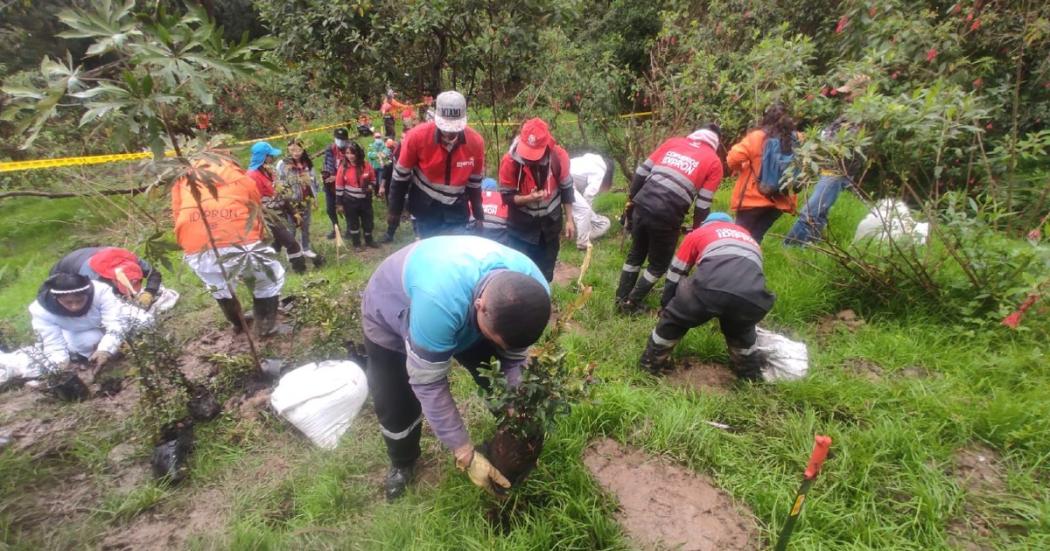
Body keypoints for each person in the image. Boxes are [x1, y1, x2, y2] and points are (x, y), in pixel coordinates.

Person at [361, 235, 551, 500]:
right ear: (479, 307)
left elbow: (515, 359)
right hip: (392, 310)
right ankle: (402, 461)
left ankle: (507, 440)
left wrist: (516, 407)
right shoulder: (437, 302)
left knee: (495, 370)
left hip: (466, 313)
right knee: (395, 400)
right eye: (495, 338)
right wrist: (463, 451)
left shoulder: (534, 287)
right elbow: (429, 384)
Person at [639, 212, 775, 380]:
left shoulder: (698, 233)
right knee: (741, 330)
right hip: (752, 296)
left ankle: (650, 364)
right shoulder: (749, 238)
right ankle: (749, 375)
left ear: (706, 224)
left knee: (674, 321)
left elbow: (676, 273)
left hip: (709, 287)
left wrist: (668, 305)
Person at [172, 156, 286, 337]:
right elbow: (255, 207)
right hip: (238, 234)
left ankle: (238, 324)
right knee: (268, 278)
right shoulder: (239, 176)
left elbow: (178, 211)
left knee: (218, 285)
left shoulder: (184, 177)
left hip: (194, 240)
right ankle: (265, 326)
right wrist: (259, 234)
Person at [615, 126, 723, 313]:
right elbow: (703, 204)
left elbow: (641, 172)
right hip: (667, 214)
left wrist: (632, 200)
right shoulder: (714, 162)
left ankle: (620, 297)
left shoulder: (674, 142)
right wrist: (698, 232)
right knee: (658, 265)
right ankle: (630, 304)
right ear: (716, 142)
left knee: (636, 253)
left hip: (642, 202)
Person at [386, 90, 485, 239]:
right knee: (429, 253)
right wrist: (394, 210)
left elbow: (474, 184)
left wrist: (478, 214)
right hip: (425, 208)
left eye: (455, 128)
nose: (450, 133)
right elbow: (400, 178)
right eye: (446, 127)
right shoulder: (416, 137)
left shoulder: (476, 142)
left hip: (456, 209)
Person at [784, 75, 870, 245]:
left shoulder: (861, 118)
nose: (845, 96)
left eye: (849, 93)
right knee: (820, 211)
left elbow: (841, 144)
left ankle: (790, 247)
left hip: (836, 171)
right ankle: (809, 245)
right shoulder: (850, 114)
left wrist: (818, 141)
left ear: (860, 92)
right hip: (833, 169)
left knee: (811, 211)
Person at [22, 274, 152, 375]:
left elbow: (115, 323)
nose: (74, 306)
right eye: (68, 302)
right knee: (85, 342)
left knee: (144, 320)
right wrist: (60, 366)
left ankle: (124, 345)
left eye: (79, 301)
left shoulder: (101, 291)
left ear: (88, 295)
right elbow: (53, 344)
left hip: (112, 318)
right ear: (57, 299)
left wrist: (105, 350)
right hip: (79, 332)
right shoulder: (41, 311)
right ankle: (100, 355)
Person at [498, 118, 575, 282]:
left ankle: (541, 301)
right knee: (519, 275)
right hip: (520, 229)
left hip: (550, 226)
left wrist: (569, 219)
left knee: (545, 274)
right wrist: (528, 198)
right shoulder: (510, 162)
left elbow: (567, 188)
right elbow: (506, 198)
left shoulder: (559, 157)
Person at [727, 103, 798, 243]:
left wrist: (741, 168)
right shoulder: (798, 139)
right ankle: (750, 261)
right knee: (756, 237)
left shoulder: (757, 137)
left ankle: (733, 262)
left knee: (738, 237)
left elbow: (732, 158)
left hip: (753, 198)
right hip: (781, 201)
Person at [246, 141, 307, 274]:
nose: (273, 158)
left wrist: (293, 212)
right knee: (291, 243)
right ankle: (300, 270)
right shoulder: (252, 176)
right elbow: (252, 202)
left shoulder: (270, 171)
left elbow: (280, 193)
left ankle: (271, 272)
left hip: (279, 212)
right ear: (264, 157)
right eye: (270, 155)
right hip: (267, 217)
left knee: (275, 245)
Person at [50, 247, 162, 309]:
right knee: (75, 304)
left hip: (93, 254)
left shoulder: (134, 260)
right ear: (112, 279)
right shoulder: (92, 278)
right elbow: (97, 304)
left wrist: (149, 292)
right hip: (63, 271)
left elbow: (154, 274)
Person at [275, 138, 321, 265]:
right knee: (292, 228)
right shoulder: (283, 164)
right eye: (292, 150)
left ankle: (305, 248)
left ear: (303, 149)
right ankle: (292, 252)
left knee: (305, 225)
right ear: (288, 150)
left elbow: (314, 179)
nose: (295, 153)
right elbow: (279, 181)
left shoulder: (306, 162)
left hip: (305, 200)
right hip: (291, 201)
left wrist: (315, 195)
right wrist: (286, 195)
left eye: (298, 149)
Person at [335, 142, 379, 249]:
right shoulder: (343, 168)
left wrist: (370, 186)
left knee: (368, 221)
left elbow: (373, 179)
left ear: (358, 153)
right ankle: (357, 244)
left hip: (365, 200)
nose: (350, 156)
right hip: (350, 201)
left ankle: (369, 240)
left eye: (352, 153)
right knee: (353, 223)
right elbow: (339, 186)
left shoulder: (366, 165)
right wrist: (339, 204)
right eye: (347, 153)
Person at [569, 153, 614, 250]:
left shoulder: (588, 161)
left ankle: (582, 231)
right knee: (586, 211)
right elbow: (588, 194)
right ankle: (583, 243)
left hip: (557, 177)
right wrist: (588, 213)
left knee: (583, 210)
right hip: (565, 181)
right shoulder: (600, 170)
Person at [321, 128, 351, 239]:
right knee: (330, 209)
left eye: (342, 139)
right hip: (331, 185)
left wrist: (337, 177)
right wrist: (328, 175)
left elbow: (352, 168)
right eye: (338, 139)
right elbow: (328, 163)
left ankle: (350, 229)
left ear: (347, 139)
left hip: (346, 185)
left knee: (347, 208)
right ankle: (336, 228)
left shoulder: (351, 149)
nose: (340, 141)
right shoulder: (330, 149)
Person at [477, 177, 508, 243]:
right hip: (499, 237)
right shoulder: (503, 198)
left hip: (479, 235)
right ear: (496, 189)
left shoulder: (476, 198)